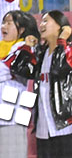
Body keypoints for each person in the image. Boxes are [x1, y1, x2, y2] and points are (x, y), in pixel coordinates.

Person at [0, 10, 38, 158]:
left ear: (21, 29)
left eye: (9, 23)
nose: (4, 26)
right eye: (3, 23)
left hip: (11, 115)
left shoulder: (23, 49)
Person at [33, 10, 72, 156]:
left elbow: (58, 69)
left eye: (46, 21)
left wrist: (62, 41)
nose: (41, 25)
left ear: (60, 26)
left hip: (64, 125)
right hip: (43, 126)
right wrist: (27, 47)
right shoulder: (41, 53)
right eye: (41, 21)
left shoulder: (69, 50)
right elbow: (22, 70)